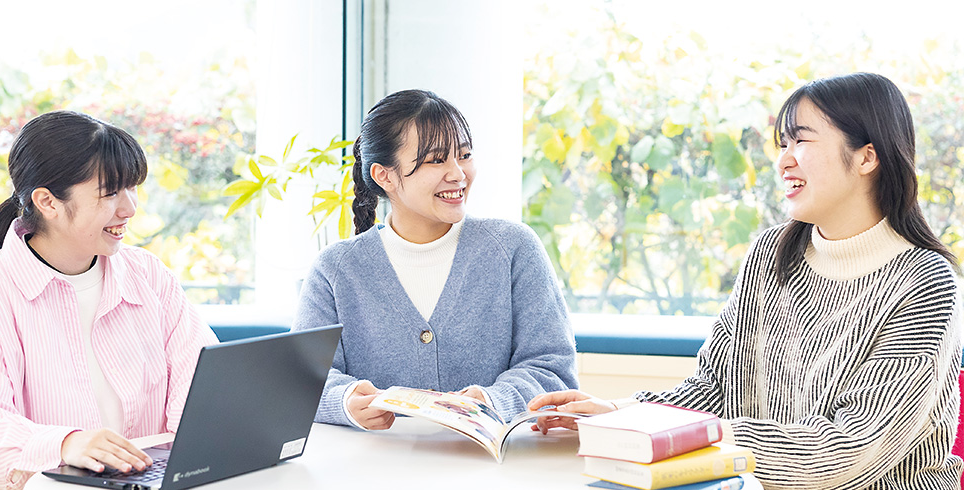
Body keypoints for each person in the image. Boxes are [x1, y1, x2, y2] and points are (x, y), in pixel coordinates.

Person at [528, 72, 963, 489]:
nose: (783, 159)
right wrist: (622, 415)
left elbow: (847, 449)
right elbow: (714, 387)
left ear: (867, 156)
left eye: (802, 140)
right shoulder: (770, 255)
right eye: (783, 143)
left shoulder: (925, 282)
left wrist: (690, 436)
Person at [293, 89, 578, 430]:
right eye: (436, 159)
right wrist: (346, 401)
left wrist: (488, 402)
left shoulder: (514, 249)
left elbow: (552, 370)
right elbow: (302, 380)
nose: (458, 173)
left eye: (465, 155)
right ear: (385, 175)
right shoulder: (334, 270)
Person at [0, 111, 219, 489]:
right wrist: (66, 443)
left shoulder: (148, 274)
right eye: (110, 192)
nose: (129, 208)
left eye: (132, 188)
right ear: (47, 202)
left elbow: (204, 383)